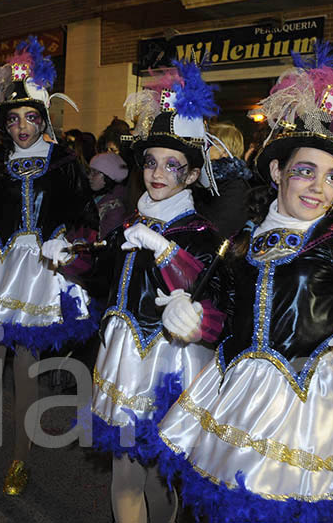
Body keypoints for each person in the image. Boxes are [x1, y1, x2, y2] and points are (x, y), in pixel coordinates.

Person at [149, 45, 333, 523]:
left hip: (304, 409)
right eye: (306, 171)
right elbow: (225, 318)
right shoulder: (243, 240)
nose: (318, 188)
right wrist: (190, 317)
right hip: (234, 397)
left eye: (331, 176)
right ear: (277, 170)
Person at [47, 60, 228, 523]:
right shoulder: (133, 221)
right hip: (125, 360)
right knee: (124, 476)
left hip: (171, 366)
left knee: (160, 479)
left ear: (191, 176)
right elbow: (105, 264)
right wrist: (71, 253)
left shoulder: (199, 230)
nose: (157, 173)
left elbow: (205, 291)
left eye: (172, 165)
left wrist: (165, 248)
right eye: (150, 162)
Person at [0, 37, 99, 495]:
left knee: (25, 370)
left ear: (44, 118)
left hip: (40, 273)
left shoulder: (64, 162)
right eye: (13, 119)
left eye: (30, 118)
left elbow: (87, 219)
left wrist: (67, 241)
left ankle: (20, 458)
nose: (21, 127)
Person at [197, 121, 253, 238]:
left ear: (223, 151)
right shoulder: (206, 181)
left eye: (208, 144)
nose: (202, 147)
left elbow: (217, 232)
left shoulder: (235, 187)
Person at [87, 151, 130, 238]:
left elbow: (104, 242)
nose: (89, 176)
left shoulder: (115, 210)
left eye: (95, 172)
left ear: (109, 177)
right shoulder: (96, 198)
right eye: (90, 171)